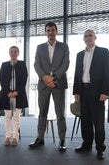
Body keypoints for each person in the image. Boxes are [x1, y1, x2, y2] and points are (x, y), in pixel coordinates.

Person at [29, 22, 70, 151]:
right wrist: (45, 78)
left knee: (60, 114)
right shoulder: (40, 47)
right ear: (45, 32)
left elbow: (66, 64)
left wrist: (53, 78)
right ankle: (39, 138)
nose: (50, 33)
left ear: (56, 31)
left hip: (58, 84)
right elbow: (36, 64)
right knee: (42, 113)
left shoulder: (64, 47)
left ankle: (62, 140)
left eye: (52, 30)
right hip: (44, 84)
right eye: (48, 30)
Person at [73, 29, 109, 160]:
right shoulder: (79, 55)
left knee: (98, 122)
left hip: (98, 92)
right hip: (83, 91)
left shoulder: (104, 52)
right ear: (83, 39)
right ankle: (87, 144)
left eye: (90, 35)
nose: (88, 38)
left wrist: (105, 92)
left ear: (95, 37)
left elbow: (108, 73)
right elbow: (77, 74)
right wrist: (76, 92)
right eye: (85, 36)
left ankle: (100, 148)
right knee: (85, 121)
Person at [0, 46, 28, 146]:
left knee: (16, 117)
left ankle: (15, 137)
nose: (13, 53)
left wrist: (17, 92)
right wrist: (8, 92)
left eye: (15, 52)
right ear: (9, 53)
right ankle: (7, 136)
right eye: (11, 52)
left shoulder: (22, 64)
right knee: (7, 116)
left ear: (18, 53)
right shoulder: (4, 65)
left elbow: (24, 79)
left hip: (18, 95)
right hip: (7, 95)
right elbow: (1, 79)